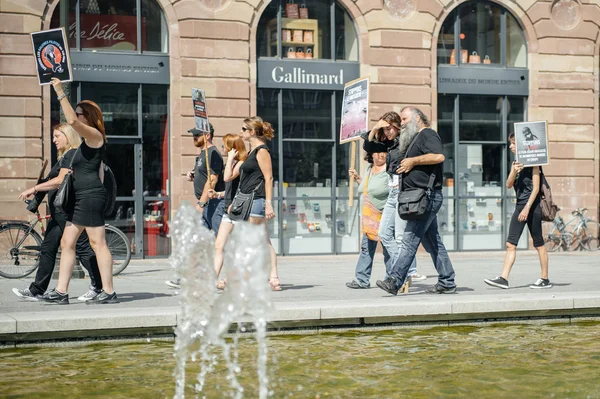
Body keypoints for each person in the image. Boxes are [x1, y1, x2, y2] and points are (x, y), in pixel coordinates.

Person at [37, 77, 116, 304]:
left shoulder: (95, 136)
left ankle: (108, 290)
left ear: (88, 118)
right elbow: (99, 171)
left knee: (97, 244)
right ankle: (61, 292)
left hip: (90, 198)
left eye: (81, 113)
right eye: (78, 113)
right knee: (67, 243)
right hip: (83, 198)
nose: (76, 116)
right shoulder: (85, 144)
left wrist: (60, 91)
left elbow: (70, 119)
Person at [15, 123, 103, 302]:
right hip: (59, 211)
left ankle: (98, 286)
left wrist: (35, 188)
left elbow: (60, 180)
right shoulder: (65, 156)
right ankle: (37, 290)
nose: (54, 140)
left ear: (68, 136)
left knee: (83, 248)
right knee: (48, 249)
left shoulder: (71, 154)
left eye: (57, 136)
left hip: (68, 211)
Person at [376, 106, 457, 295]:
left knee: (409, 240)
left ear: (417, 118)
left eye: (404, 119)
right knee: (432, 242)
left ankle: (395, 280)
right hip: (419, 197)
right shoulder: (415, 138)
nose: (401, 123)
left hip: (425, 197)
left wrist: (413, 161)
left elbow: (439, 156)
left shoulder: (427, 133)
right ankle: (447, 280)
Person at [362, 112, 424, 287]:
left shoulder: (407, 140)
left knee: (399, 237)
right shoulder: (388, 143)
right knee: (383, 234)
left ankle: (401, 275)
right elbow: (369, 146)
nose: (387, 132)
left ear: (398, 126)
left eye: (390, 128)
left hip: (403, 192)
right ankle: (404, 271)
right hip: (392, 192)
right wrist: (376, 128)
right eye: (385, 129)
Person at [484, 133, 550, 289]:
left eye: (513, 143)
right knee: (510, 244)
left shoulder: (534, 163)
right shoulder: (516, 163)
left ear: (521, 145)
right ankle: (503, 278)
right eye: (510, 143)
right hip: (519, 206)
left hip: (532, 207)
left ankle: (545, 279)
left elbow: (535, 188)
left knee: (538, 243)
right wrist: (514, 171)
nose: (511, 146)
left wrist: (527, 208)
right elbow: (508, 185)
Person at [165, 124, 225, 289]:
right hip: (207, 204)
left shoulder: (213, 154)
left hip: (214, 204)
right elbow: (204, 175)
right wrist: (193, 175)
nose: (193, 138)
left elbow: (212, 180)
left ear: (207, 135)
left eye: (196, 135)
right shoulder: (202, 155)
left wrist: (201, 203)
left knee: (221, 242)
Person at [235, 116, 281, 291]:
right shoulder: (251, 152)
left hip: (257, 201)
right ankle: (273, 277)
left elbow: (268, 178)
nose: (241, 132)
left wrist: (268, 203)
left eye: (244, 129)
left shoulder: (262, 151)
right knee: (263, 240)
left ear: (252, 132)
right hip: (249, 201)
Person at [345, 151, 391, 289]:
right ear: (371, 155)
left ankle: (390, 279)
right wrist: (358, 177)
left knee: (387, 248)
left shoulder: (389, 170)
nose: (380, 155)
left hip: (383, 215)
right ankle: (361, 279)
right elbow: (366, 188)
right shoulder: (369, 169)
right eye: (377, 153)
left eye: (383, 152)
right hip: (368, 216)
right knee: (366, 248)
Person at [209, 134, 248, 290]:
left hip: (238, 210)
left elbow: (226, 179)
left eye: (225, 146)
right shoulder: (232, 163)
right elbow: (229, 188)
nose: (223, 149)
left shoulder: (242, 163)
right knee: (219, 245)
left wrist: (231, 160)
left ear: (233, 148)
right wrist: (218, 194)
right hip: (228, 209)